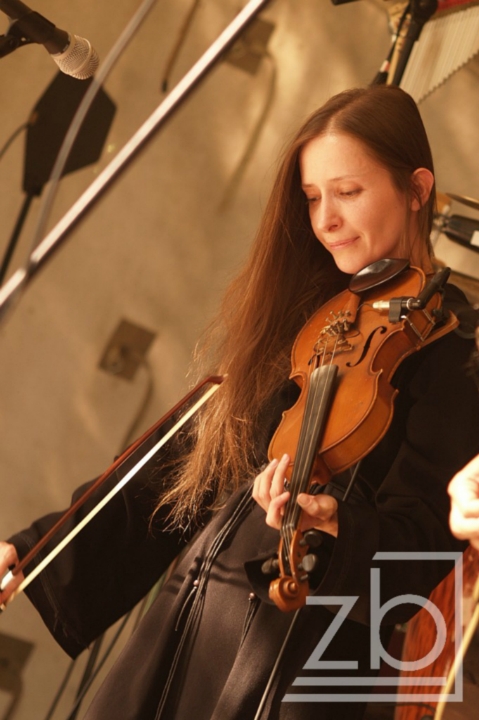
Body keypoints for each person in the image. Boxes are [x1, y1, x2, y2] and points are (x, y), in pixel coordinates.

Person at [1, 85, 479, 720]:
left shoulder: (456, 350)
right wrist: (36, 550)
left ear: (418, 190)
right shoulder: (316, 320)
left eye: (349, 192)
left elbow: (422, 545)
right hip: (196, 608)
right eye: (312, 199)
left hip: (306, 654)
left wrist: (334, 526)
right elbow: (190, 459)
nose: (325, 220)